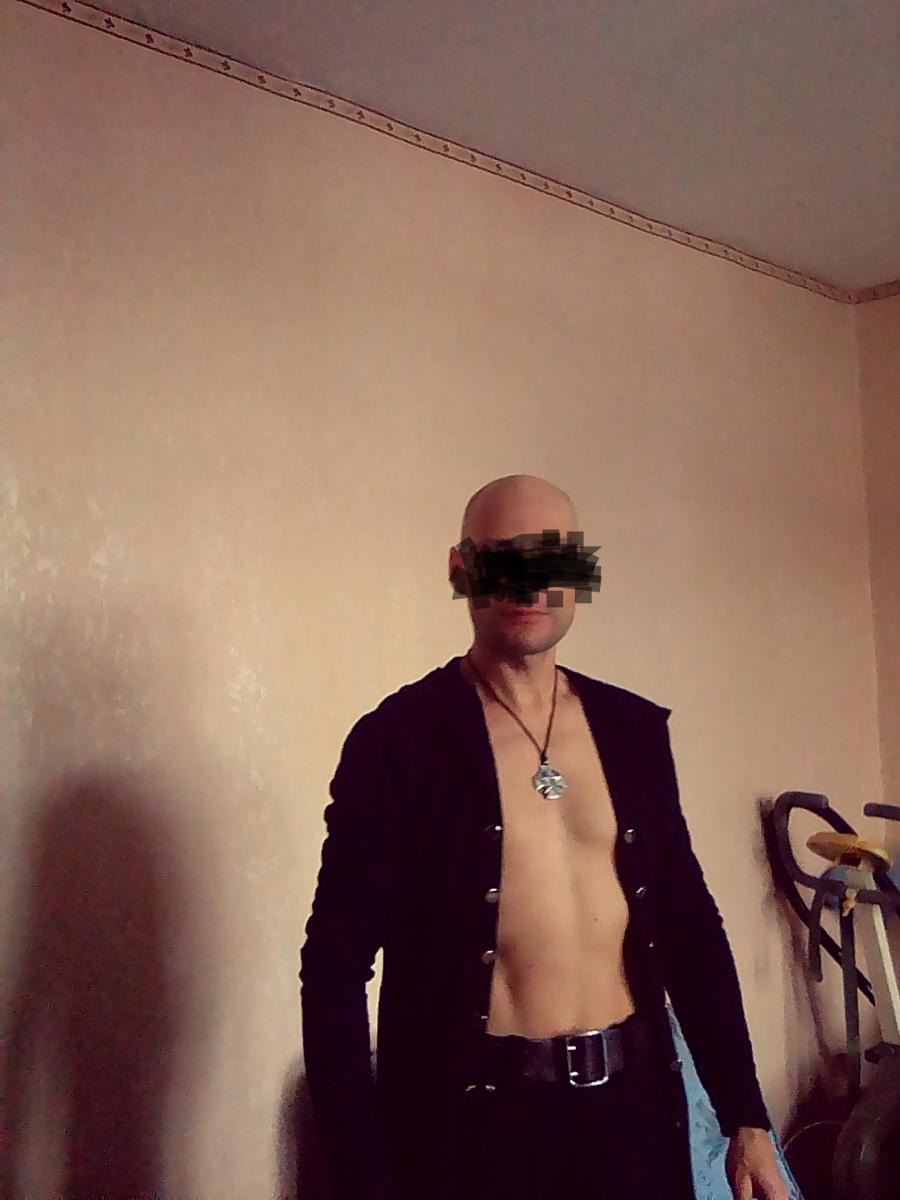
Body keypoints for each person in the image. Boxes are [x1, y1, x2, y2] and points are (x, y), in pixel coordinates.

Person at [299, 473, 789, 1200]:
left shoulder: (633, 732)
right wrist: (362, 1180)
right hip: (478, 1138)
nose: (529, 582)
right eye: (503, 557)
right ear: (459, 570)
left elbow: (690, 928)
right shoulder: (398, 744)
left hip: (634, 1122)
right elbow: (333, 971)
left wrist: (746, 1117)